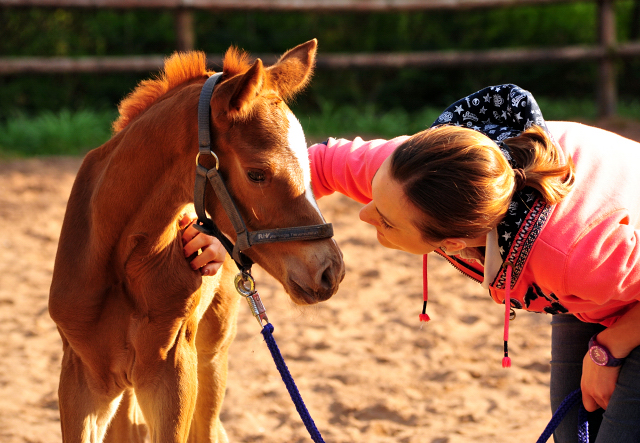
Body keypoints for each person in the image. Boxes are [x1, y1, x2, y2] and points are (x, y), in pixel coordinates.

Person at [183, 84, 640, 443]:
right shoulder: (411, 173)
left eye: (385, 221)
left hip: (607, 277)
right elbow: (313, 167)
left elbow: (593, 268)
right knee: (573, 428)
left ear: (456, 242)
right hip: (593, 291)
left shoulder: (577, 255)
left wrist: (611, 347)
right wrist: (237, 236)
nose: (363, 215)